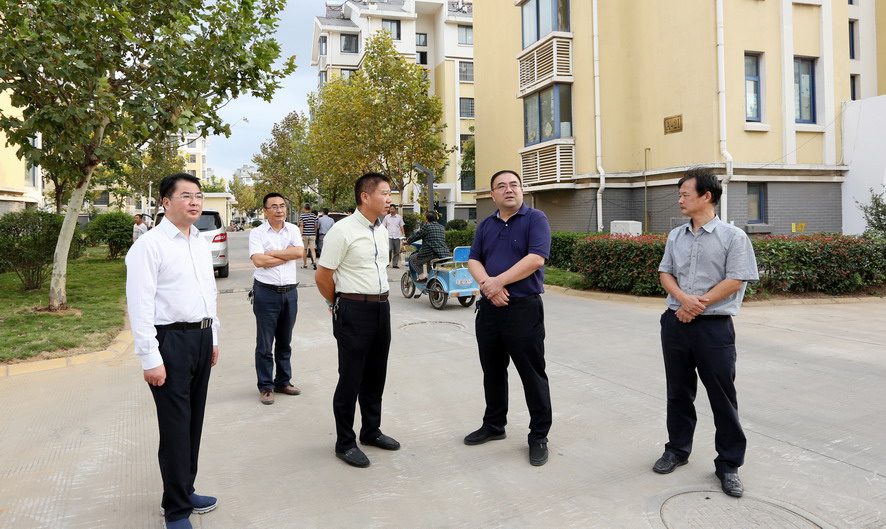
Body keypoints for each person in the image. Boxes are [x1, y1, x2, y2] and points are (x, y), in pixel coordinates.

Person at [652, 167, 759, 498]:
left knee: (722, 397)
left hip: (714, 328)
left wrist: (697, 304)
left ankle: (728, 465)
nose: (680, 200)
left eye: (685, 194)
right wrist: (683, 300)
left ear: (706, 196)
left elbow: (736, 279)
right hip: (675, 323)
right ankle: (677, 450)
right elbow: (665, 273)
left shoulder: (733, 237)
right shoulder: (676, 236)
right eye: (680, 195)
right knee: (678, 392)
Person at [125, 173, 220, 529]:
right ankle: (176, 510)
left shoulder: (199, 241)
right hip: (170, 342)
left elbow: (208, 293)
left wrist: (213, 337)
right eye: (186, 196)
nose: (195, 202)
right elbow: (140, 305)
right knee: (176, 427)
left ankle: (185, 489)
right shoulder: (149, 246)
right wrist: (150, 357)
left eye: (199, 196)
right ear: (166, 202)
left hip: (201, 338)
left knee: (193, 422)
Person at [464, 170, 553, 467]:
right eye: (501, 186)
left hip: (523, 309)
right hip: (490, 309)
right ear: (492, 195)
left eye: (514, 184)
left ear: (522, 190)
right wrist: (488, 287)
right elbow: (474, 259)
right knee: (492, 370)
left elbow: (536, 258)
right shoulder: (486, 225)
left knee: (532, 373)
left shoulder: (535, 219)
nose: (509, 189)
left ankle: (538, 435)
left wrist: (498, 282)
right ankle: (494, 424)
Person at [315, 172, 400, 469]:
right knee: (351, 377)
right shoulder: (342, 230)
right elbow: (323, 276)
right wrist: (336, 303)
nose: (389, 199)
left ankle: (371, 431)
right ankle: (345, 442)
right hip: (353, 309)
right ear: (365, 196)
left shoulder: (381, 229)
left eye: (390, 194)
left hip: (381, 308)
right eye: (385, 193)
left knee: (376, 374)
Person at [249, 193, 305, 405]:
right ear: (265, 211)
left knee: (285, 341)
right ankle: (266, 386)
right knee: (265, 343)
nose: (279, 210)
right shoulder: (257, 233)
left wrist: (272, 253)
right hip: (266, 293)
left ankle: (283, 381)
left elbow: (299, 253)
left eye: (282, 206)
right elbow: (259, 261)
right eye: (274, 206)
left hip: (290, 293)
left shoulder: (292, 229)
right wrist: (285, 254)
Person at [406, 211, 449, 281]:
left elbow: (416, 235)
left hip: (431, 253)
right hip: (443, 254)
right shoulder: (441, 227)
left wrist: (407, 241)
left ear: (426, 219)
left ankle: (421, 277)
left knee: (412, 258)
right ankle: (429, 277)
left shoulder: (427, 227)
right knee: (430, 260)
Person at [299, 204, 318, 270]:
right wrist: (315, 233)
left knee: (305, 249)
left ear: (304, 208)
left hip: (305, 235)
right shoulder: (313, 216)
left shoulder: (302, 216)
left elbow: (301, 225)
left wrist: (301, 234)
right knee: (313, 249)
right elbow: (315, 225)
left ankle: (305, 264)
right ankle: (314, 262)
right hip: (312, 234)